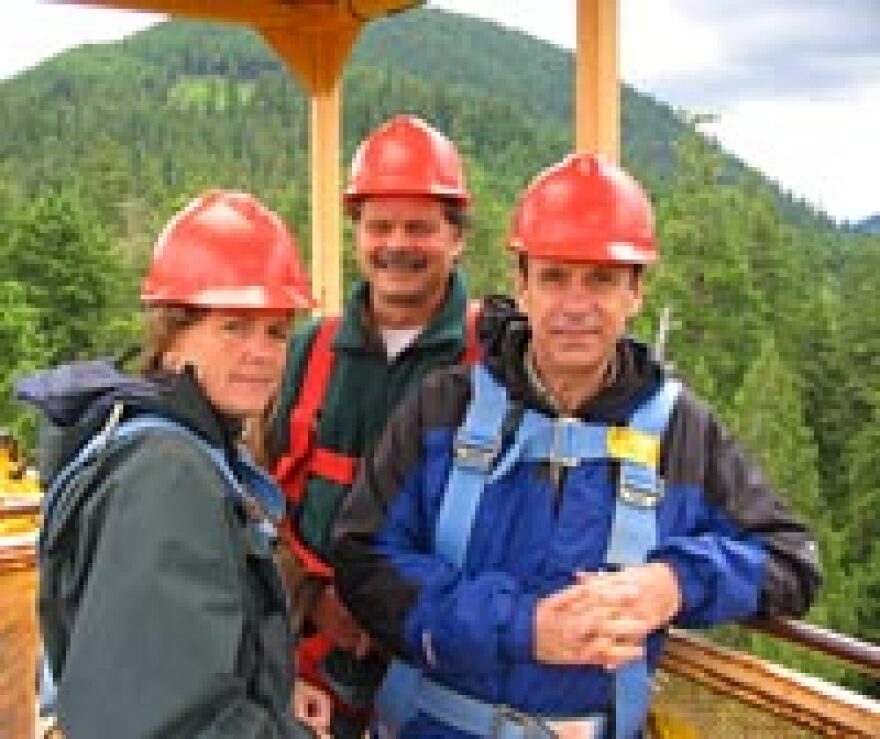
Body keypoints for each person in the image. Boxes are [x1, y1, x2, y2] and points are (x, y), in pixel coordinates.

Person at [332, 153, 822, 738]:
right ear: (523, 285)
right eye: (555, 277)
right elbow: (363, 562)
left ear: (636, 292)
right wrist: (523, 626)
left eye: (601, 280)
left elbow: (792, 561)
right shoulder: (446, 409)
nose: (575, 306)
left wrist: (674, 583)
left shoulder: (680, 433)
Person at [17, 191, 318, 737]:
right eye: (234, 326)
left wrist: (275, 697)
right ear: (172, 336)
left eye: (276, 331)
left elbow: (185, 663)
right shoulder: (167, 473)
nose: (261, 352)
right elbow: (170, 720)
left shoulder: (189, 447)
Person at [268, 114, 476, 737]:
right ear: (357, 231)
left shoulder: (489, 363)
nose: (397, 244)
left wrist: (395, 614)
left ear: (456, 237)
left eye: (420, 227)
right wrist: (313, 601)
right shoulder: (310, 352)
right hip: (313, 666)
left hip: (437, 675)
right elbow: (258, 498)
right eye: (380, 225)